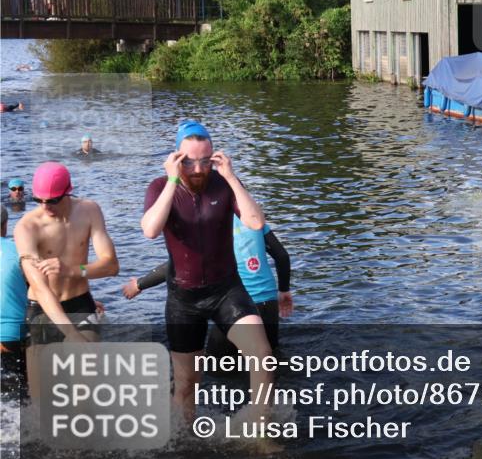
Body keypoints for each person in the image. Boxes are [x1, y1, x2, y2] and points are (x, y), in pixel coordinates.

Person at [140, 121, 272, 423]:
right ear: (176, 158)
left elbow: (255, 223)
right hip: (183, 299)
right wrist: (173, 180)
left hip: (226, 290)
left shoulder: (223, 183)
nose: (198, 169)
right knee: (187, 385)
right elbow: (150, 230)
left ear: (214, 157)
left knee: (262, 357)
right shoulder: (161, 187)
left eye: (205, 161)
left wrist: (231, 176)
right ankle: (184, 444)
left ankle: (260, 433)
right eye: (188, 161)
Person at [13, 162, 119, 398]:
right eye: (39, 200)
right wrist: (70, 334)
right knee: (42, 407)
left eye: (52, 200)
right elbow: (40, 289)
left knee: (84, 398)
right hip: (41, 311)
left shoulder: (89, 211)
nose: (45, 206)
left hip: (80, 303)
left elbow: (112, 266)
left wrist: (72, 270)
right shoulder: (27, 227)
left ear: (68, 192)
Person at [124, 214, 293, 353]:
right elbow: (282, 257)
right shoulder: (255, 219)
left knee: (215, 366)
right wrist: (284, 291)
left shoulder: (211, 227)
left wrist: (140, 284)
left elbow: (180, 264)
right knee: (270, 360)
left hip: (238, 304)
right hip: (269, 300)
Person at [1, 206, 28, 400]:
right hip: (13, 334)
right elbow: (43, 289)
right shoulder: (18, 251)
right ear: (5, 225)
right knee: (23, 394)